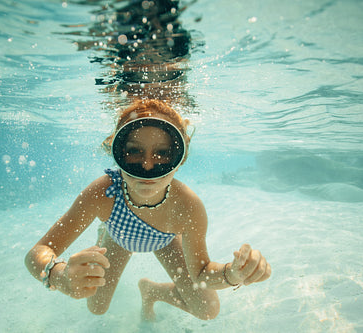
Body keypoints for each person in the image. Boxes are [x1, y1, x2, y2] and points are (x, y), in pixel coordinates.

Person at [25, 99, 271, 321]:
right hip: (118, 238)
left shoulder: (187, 206)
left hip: (163, 240)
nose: (147, 165)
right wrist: (59, 276)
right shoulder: (104, 193)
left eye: (163, 154)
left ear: (180, 158)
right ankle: (104, 233)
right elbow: (38, 251)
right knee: (96, 308)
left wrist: (233, 273)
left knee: (207, 310)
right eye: (133, 151)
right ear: (117, 152)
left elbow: (202, 273)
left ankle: (153, 291)